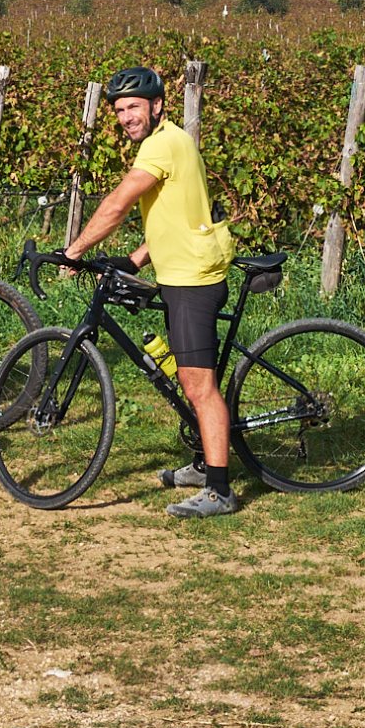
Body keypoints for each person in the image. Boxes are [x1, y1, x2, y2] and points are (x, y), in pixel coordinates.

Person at [63, 66, 239, 518]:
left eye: (134, 107)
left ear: (157, 105)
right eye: (119, 110)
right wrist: (137, 258)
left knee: (199, 386)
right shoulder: (171, 140)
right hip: (180, 270)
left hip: (193, 279)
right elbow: (178, 210)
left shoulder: (160, 145)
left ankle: (219, 491)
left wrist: (76, 251)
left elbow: (118, 204)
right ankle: (205, 463)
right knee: (188, 376)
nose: (126, 117)